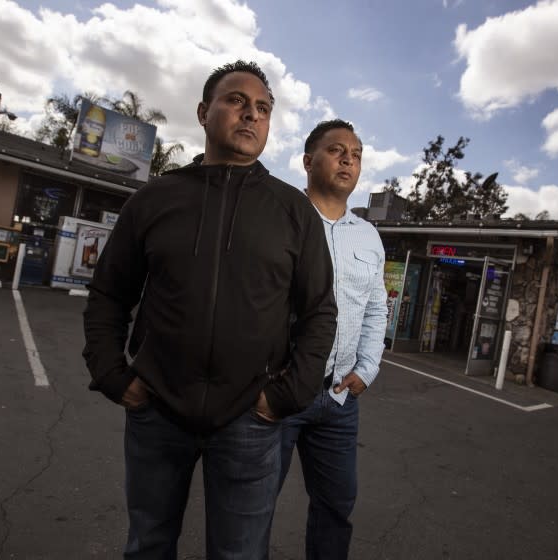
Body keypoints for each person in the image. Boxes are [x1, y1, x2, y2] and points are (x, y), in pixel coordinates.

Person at [82, 61, 337, 560]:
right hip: (156, 410)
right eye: (237, 101)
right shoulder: (155, 198)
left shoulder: (293, 212)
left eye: (262, 108)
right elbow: (109, 293)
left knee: (239, 554)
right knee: (149, 544)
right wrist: (113, 375)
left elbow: (319, 313)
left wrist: (283, 397)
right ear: (203, 112)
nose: (251, 115)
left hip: (250, 420)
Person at [277, 119, 388, 560]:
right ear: (308, 161)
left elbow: (376, 308)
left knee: (336, 506)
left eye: (356, 154)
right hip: (281, 392)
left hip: (340, 400)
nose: (348, 159)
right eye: (336, 150)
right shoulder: (281, 218)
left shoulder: (369, 235)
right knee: (252, 505)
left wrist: (366, 370)